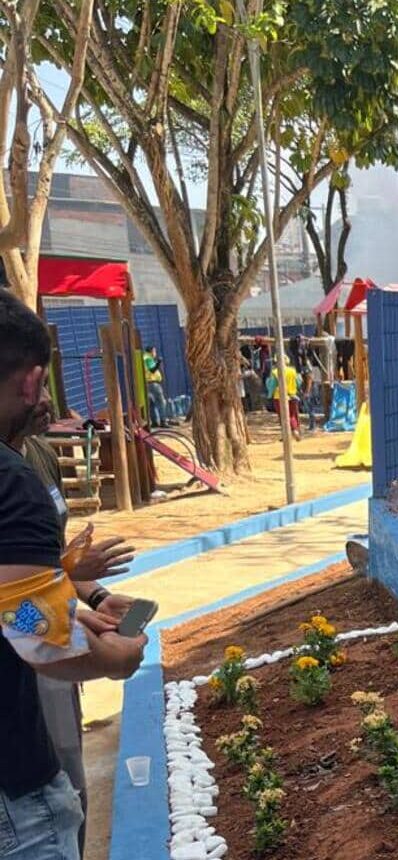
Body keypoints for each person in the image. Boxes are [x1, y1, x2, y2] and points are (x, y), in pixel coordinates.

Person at [0, 288, 147, 860]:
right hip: (15, 793)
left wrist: (75, 607)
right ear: (33, 379)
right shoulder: (12, 481)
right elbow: (27, 626)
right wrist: (108, 656)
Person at [267, 357, 302, 441]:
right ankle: (295, 430)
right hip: (292, 396)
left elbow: (272, 386)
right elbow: (299, 382)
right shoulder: (293, 371)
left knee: (282, 416)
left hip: (279, 397)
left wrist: (269, 395)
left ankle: (287, 434)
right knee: (292, 415)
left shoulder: (275, 372)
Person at [143, 345, 170, 428]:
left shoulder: (144, 358)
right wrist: (158, 362)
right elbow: (152, 369)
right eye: (154, 351)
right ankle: (163, 421)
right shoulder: (148, 358)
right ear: (151, 351)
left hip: (147, 383)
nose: (155, 353)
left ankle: (154, 421)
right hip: (153, 383)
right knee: (161, 402)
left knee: (151, 404)